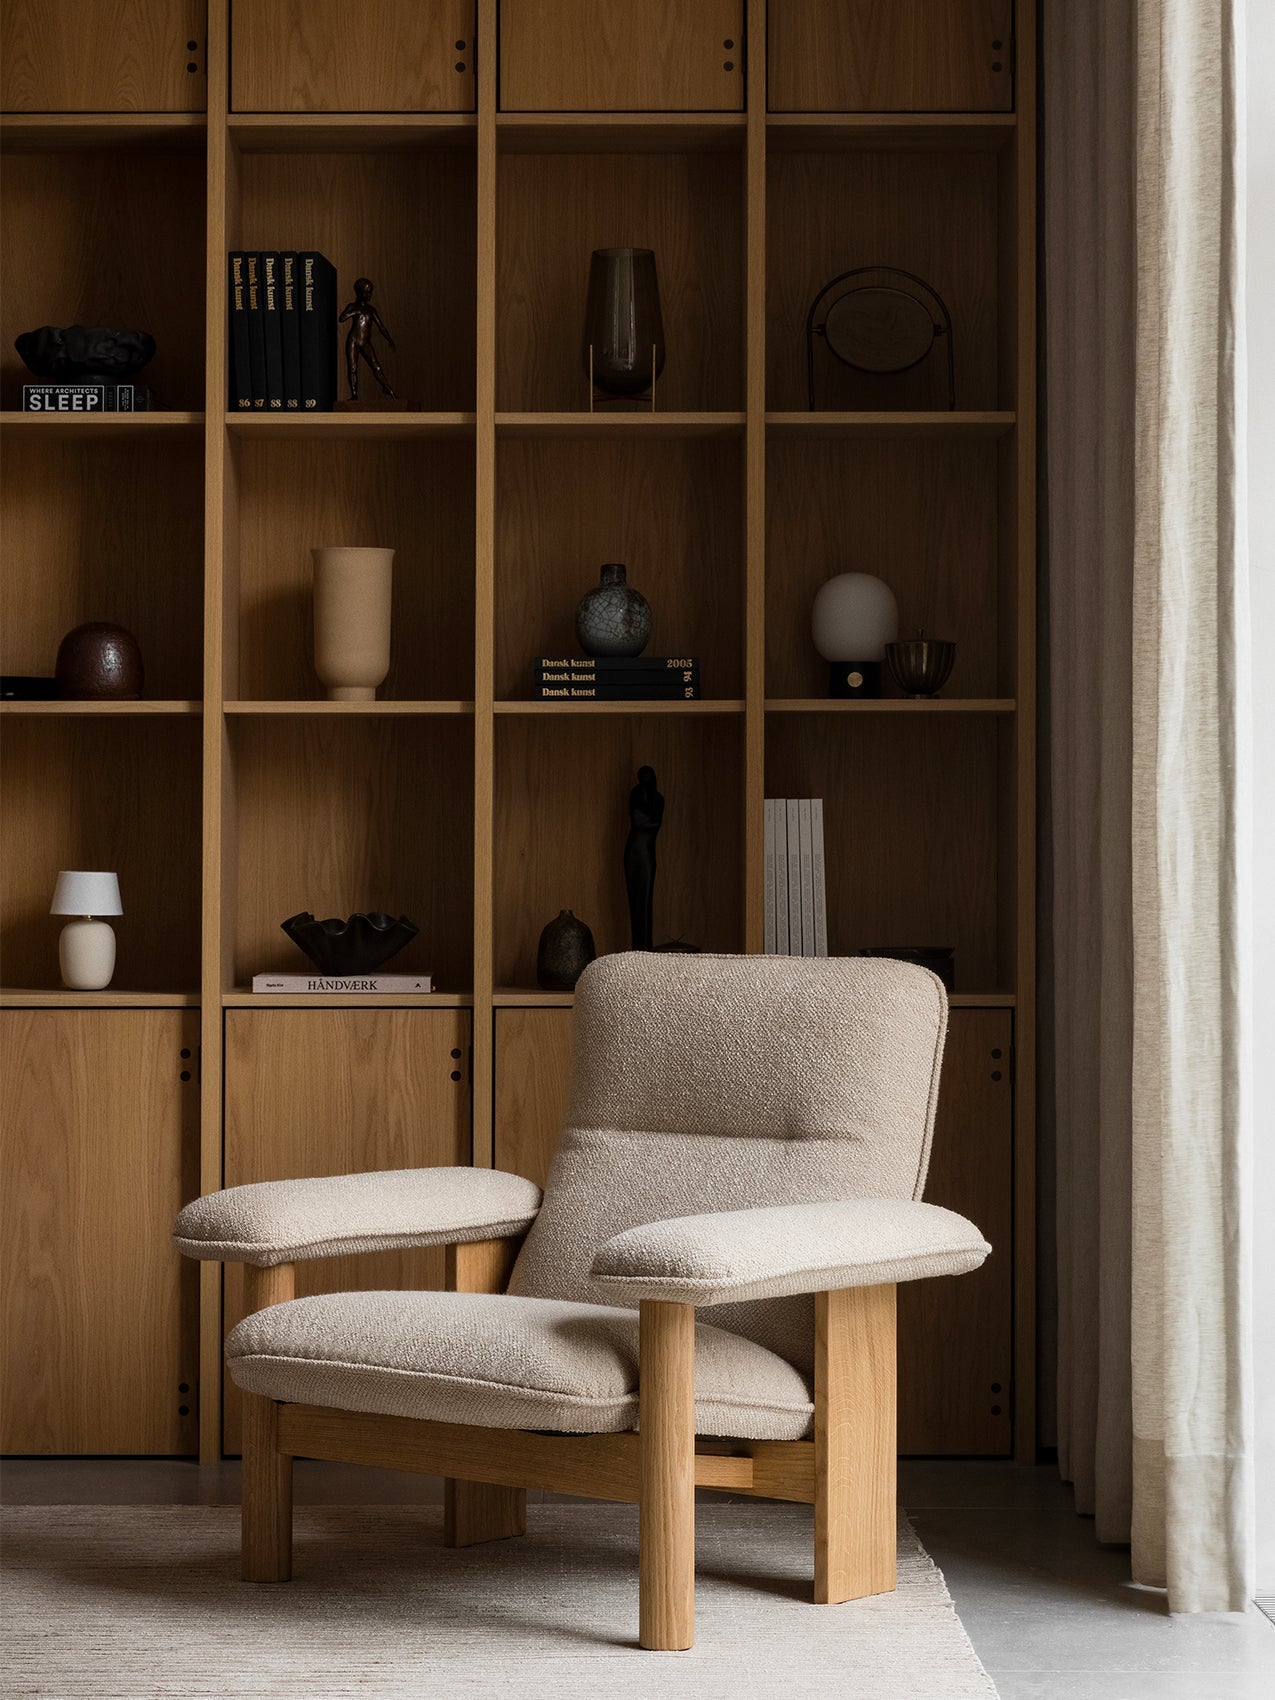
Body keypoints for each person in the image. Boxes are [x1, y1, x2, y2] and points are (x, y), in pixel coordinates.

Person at [338, 277, 397, 401]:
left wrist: (389, 340)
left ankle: (388, 389)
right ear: (359, 293)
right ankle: (354, 394)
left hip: (365, 342)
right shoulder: (352, 306)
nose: (369, 295)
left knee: (376, 366)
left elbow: (381, 327)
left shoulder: (371, 310)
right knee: (353, 367)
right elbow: (341, 318)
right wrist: (354, 311)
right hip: (353, 340)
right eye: (366, 292)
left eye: (370, 292)